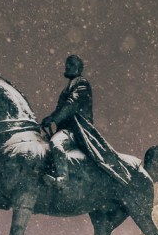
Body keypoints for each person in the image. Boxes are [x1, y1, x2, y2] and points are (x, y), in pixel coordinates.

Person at [40, 55, 131, 187]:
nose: (67, 67)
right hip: (65, 128)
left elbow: (71, 105)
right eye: (67, 64)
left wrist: (52, 118)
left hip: (76, 130)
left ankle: (62, 179)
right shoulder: (67, 88)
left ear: (78, 68)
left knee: (56, 143)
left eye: (71, 65)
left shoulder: (81, 83)